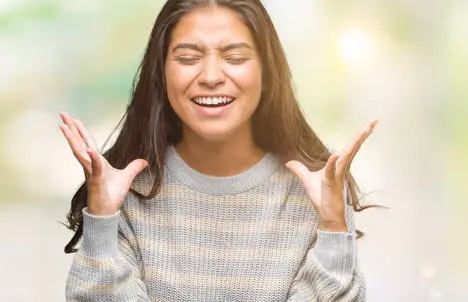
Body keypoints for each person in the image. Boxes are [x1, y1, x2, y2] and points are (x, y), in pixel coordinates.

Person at [60, 0, 377, 301]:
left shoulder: (316, 194)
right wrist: (102, 220)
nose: (211, 77)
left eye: (236, 58)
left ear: (267, 74)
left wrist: (335, 228)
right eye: (187, 58)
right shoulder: (126, 194)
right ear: (162, 73)